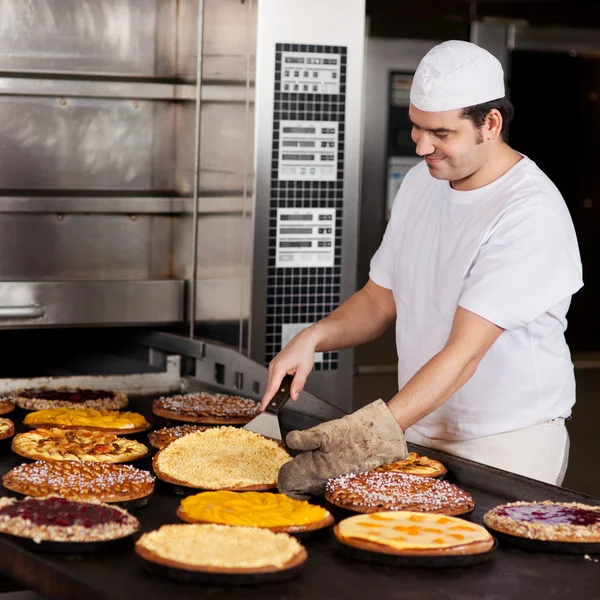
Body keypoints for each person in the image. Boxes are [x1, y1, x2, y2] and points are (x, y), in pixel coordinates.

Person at [260, 40, 583, 496]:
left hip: (505, 442)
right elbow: (380, 298)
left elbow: (464, 353)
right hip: (416, 428)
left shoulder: (529, 214)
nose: (422, 145)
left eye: (441, 133)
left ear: (490, 124)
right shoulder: (422, 182)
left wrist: (369, 436)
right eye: (416, 127)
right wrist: (314, 337)